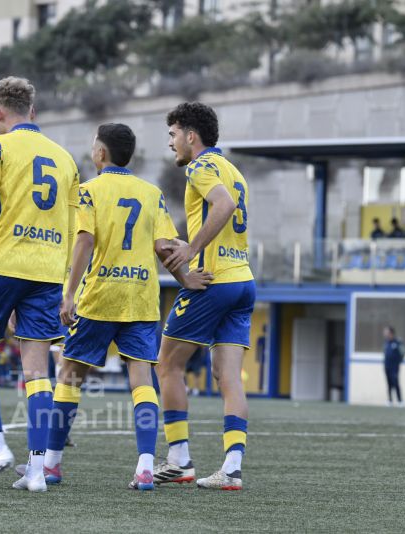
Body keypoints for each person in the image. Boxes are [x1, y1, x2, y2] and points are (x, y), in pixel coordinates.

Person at [42, 123, 211, 491]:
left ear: (101, 153)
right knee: (142, 381)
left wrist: (68, 293)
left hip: (100, 296)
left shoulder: (89, 191)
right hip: (140, 297)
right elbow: (165, 246)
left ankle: (51, 464)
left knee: (70, 375)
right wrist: (186, 280)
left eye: (93, 146)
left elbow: (84, 241)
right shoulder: (151, 193)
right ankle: (146, 466)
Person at [0, 77, 79, 491]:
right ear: (33, 111)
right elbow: (72, 223)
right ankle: (36, 470)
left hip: (5, 262)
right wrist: (65, 281)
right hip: (47, 272)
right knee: (37, 372)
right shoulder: (65, 159)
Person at [154, 102, 256, 491]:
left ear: (190, 136)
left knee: (167, 365)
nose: (171, 143)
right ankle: (231, 468)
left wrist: (191, 249)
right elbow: (230, 209)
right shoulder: (233, 170)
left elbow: (223, 206)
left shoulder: (200, 166)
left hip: (212, 282)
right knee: (228, 376)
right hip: (243, 280)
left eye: (173, 134)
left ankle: (179, 460)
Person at [382, 326, 404, 406]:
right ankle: (390, 400)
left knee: (395, 383)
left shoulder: (397, 342)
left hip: (394, 367)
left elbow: (402, 353)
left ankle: (400, 401)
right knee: (389, 384)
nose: (385, 334)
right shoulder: (386, 342)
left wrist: (399, 362)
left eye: (386, 332)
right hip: (387, 366)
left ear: (391, 333)